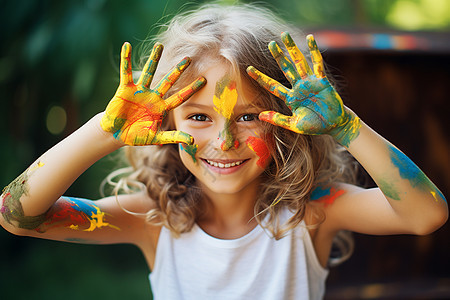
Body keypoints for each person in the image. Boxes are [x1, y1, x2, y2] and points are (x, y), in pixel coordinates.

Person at [1, 3, 447, 300]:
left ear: (287, 123)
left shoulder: (312, 214)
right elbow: (17, 215)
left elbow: (425, 214)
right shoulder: (151, 220)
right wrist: (105, 131)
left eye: (250, 116)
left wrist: (347, 126)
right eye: (199, 117)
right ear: (164, 122)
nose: (225, 141)